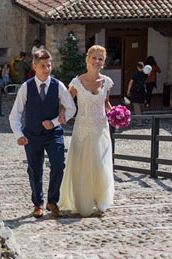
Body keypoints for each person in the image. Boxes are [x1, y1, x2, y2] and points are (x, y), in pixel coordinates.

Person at [9, 49, 77, 218]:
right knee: (35, 169)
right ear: (34, 66)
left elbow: (71, 108)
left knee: (58, 165)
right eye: (42, 66)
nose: (47, 69)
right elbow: (15, 114)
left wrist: (54, 122)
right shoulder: (26, 87)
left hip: (54, 134)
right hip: (31, 135)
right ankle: (37, 203)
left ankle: (52, 201)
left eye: (49, 65)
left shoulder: (58, 86)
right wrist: (19, 135)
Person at [59, 45, 114, 217]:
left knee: (100, 165)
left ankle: (100, 199)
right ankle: (83, 202)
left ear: (103, 63)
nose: (97, 61)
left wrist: (117, 116)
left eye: (100, 59)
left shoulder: (107, 82)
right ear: (87, 59)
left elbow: (106, 104)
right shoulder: (76, 83)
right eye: (94, 58)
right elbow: (66, 101)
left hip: (101, 128)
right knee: (82, 165)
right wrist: (62, 114)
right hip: (82, 129)